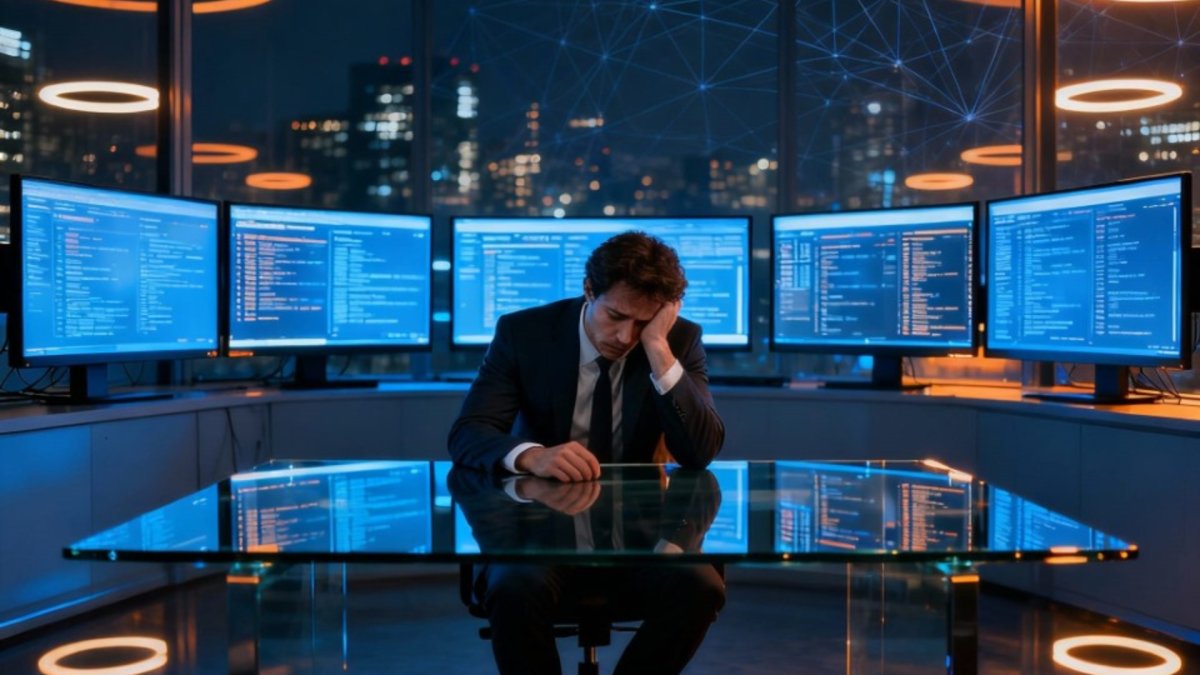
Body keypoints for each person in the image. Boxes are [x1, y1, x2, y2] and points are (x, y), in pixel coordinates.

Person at [448, 230, 726, 675]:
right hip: (539, 534)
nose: (624, 336)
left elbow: (700, 451)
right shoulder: (525, 333)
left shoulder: (678, 340)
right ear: (588, 290)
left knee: (702, 588)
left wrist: (658, 348)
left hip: (641, 537)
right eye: (615, 315)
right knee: (513, 587)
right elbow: (469, 433)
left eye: (643, 322)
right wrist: (531, 455)